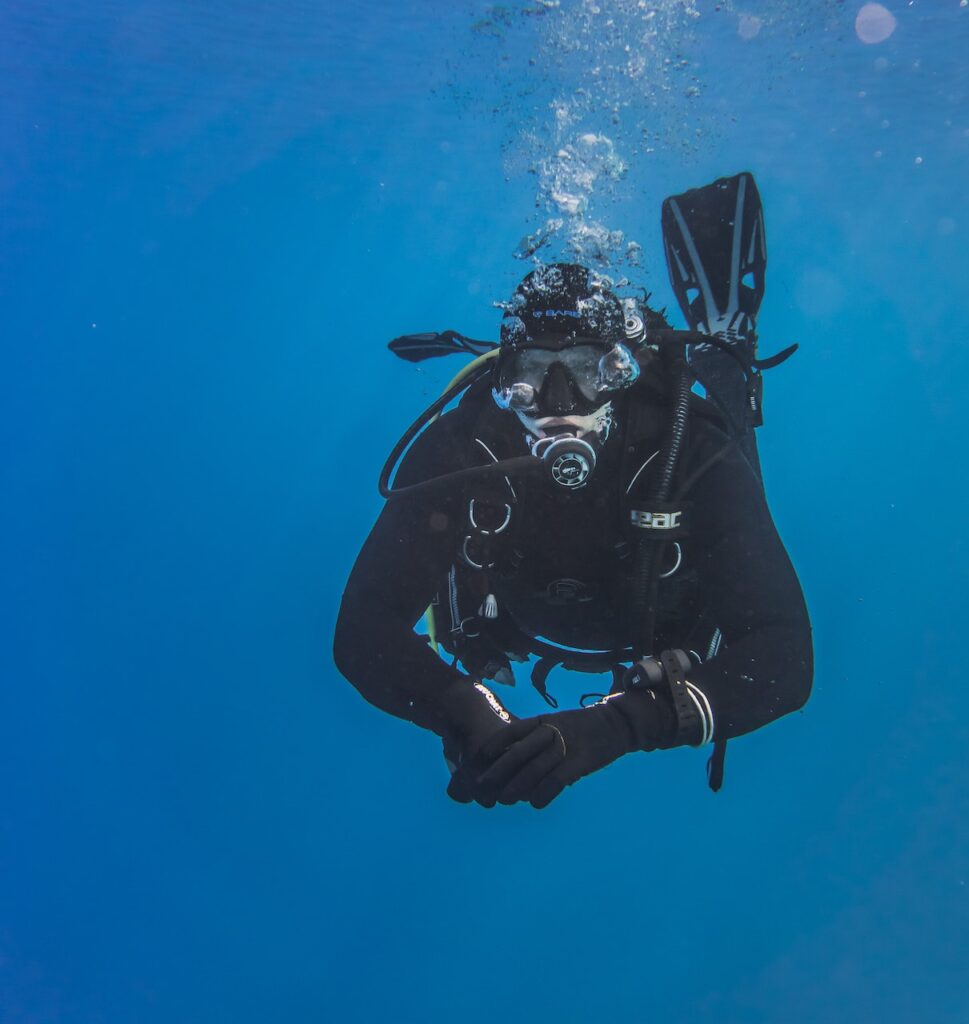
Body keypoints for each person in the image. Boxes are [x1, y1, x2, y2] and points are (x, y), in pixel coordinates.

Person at [334, 173, 812, 809]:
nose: (559, 402)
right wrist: (459, 711)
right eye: (534, 375)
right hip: (507, 628)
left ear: (620, 371)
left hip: (666, 640)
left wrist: (623, 726)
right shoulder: (463, 449)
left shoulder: (689, 450)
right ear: (505, 382)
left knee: (730, 440)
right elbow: (362, 627)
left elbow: (784, 656)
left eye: (586, 371)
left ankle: (724, 350)